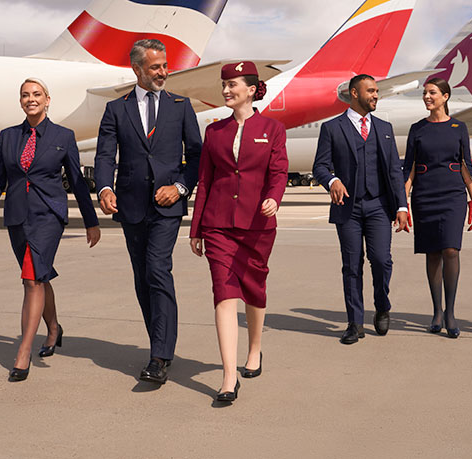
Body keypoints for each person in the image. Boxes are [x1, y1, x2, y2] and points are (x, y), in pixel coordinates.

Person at [0, 78, 101, 381]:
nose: (30, 99)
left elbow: (77, 182)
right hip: (17, 216)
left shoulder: (63, 136)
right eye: (25, 95)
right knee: (39, 276)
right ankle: (54, 327)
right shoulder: (8, 137)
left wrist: (91, 221)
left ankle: (23, 352)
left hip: (48, 216)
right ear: (21, 101)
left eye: (36, 95)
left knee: (31, 279)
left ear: (47, 99)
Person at [94, 39, 202, 383]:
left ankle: (160, 355)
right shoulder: (116, 109)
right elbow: (104, 156)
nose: (163, 72)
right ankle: (158, 343)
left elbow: (197, 156)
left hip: (168, 206)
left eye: (165, 65)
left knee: (158, 269)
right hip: (131, 206)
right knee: (143, 277)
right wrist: (104, 187)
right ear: (137, 69)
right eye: (155, 67)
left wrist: (182, 188)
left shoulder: (181, 106)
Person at [189, 61, 288, 403]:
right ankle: (229, 376)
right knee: (224, 292)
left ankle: (255, 349)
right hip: (218, 223)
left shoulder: (273, 129)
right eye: (224, 85)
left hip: (257, 225)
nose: (227, 90)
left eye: (233, 85)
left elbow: (278, 172)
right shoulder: (214, 132)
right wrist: (196, 226)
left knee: (254, 288)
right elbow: (205, 181)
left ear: (251, 89)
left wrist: (273, 199)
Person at [312, 74, 410, 345]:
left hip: (379, 206)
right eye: (371, 91)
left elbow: (393, 171)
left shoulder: (384, 128)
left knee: (381, 260)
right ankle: (354, 323)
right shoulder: (332, 128)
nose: (376, 95)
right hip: (348, 209)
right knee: (351, 266)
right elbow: (319, 166)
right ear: (354, 94)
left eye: (377, 91)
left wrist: (402, 205)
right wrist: (332, 180)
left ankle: (381, 305)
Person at [402, 78, 472, 339]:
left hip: (453, 195)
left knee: (450, 250)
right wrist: (404, 204)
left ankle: (451, 312)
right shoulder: (417, 129)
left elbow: (466, 164)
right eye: (425, 93)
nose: (426, 97)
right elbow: (409, 168)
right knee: (432, 253)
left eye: (432, 93)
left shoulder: (459, 127)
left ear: (445, 96)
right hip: (424, 195)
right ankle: (436, 311)